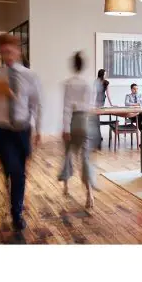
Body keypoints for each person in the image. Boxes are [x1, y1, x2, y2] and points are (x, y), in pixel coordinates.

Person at [0, 34, 42, 231]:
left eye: (10, 51)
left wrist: (37, 129)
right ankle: (13, 194)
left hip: (23, 130)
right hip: (3, 130)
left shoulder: (30, 76)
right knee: (12, 169)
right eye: (3, 52)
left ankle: (17, 213)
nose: (7, 55)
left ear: (18, 51)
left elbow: (36, 104)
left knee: (19, 173)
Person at [59, 51, 98, 208]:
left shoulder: (69, 83)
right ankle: (90, 194)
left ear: (73, 65)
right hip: (86, 121)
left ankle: (66, 186)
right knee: (85, 158)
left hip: (73, 121)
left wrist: (65, 128)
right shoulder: (89, 83)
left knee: (68, 154)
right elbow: (91, 105)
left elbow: (67, 107)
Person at [94, 69, 113, 149]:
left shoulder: (105, 82)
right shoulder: (96, 82)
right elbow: (93, 93)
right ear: (102, 74)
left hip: (100, 101)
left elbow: (108, 94)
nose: (106, 75)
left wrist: (111, 104)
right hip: (97, 101)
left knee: (96, 118)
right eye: (105, 74)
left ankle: (98, 135)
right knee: (96, 119)